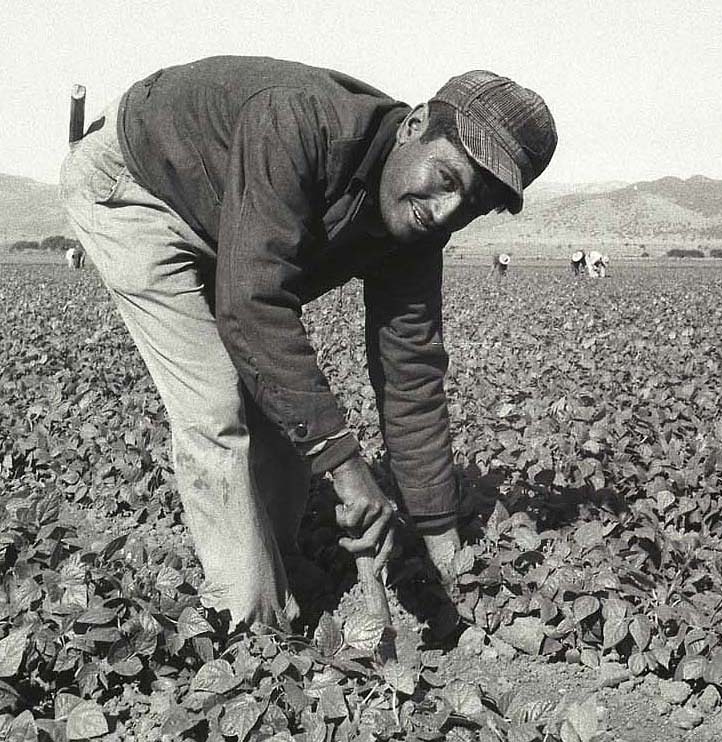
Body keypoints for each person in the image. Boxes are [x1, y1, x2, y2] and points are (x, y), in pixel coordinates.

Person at [59, 56, 557, 629]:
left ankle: (277, 561)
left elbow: (412, 376)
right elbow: (253, 305)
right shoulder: (297, 122)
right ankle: (247, 624)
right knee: (216, 405)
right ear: (415, 126)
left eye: (471, 207)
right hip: (134, 186)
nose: (445, 212)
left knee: (280, 404)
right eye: (446, 180)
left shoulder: (420, 225)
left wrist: (445, 549)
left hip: (226, 211)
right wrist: (345, 467)